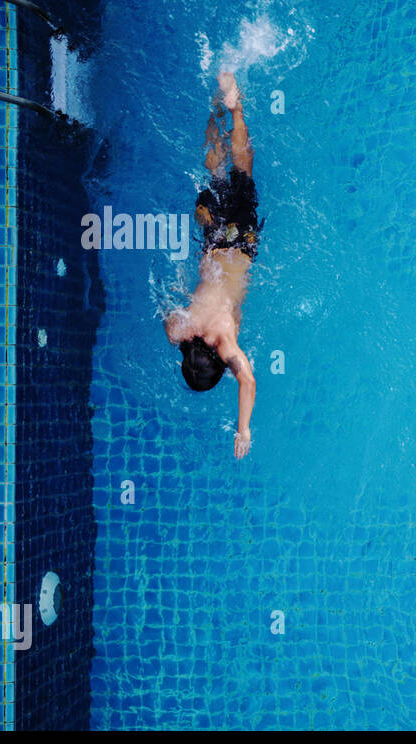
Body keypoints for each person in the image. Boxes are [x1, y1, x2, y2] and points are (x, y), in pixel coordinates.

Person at [165, 71, 262, 459]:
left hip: (241, 245)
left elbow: (249, 381)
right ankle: (214, 111)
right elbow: (168, 310)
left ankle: (235, 110)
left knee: (243, 168)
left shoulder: (226, 342)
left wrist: (243, 430)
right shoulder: (180, 329)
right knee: (215, 174)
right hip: (212, 241)